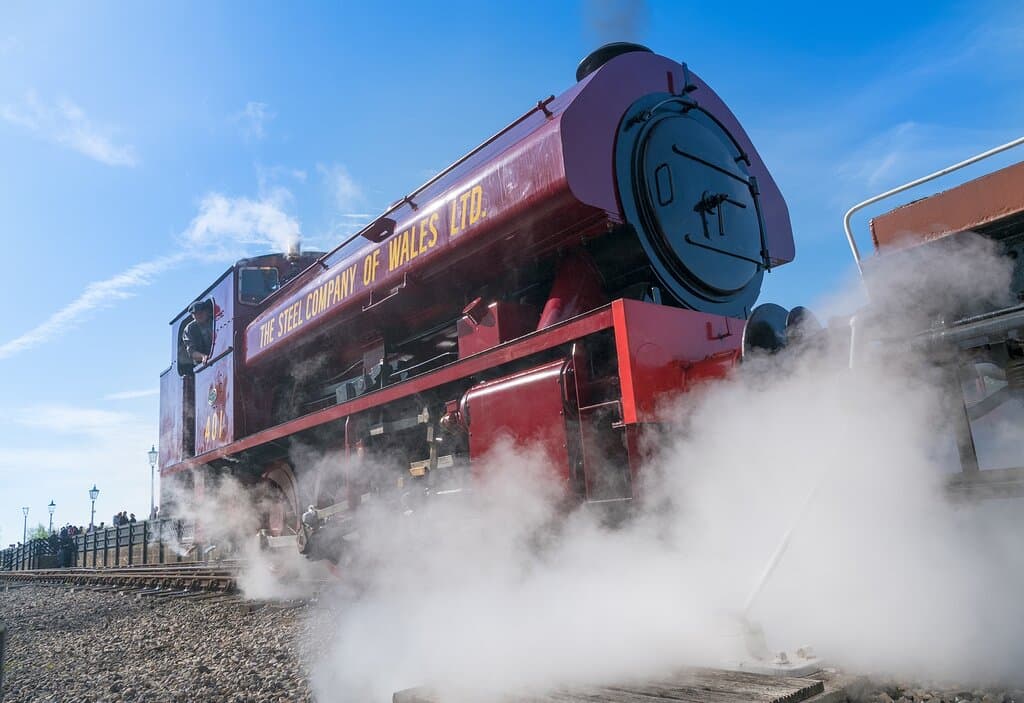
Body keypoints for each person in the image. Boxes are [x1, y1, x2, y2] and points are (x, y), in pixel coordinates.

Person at [183, 301, 214, 365]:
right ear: (192, 316)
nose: (199, 315)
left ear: (207, 311)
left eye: (201, 312)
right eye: (196, 314)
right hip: (202, 364)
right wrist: (203, 357)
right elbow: (191, 351)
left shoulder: (215, 319)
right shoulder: (189, 329)